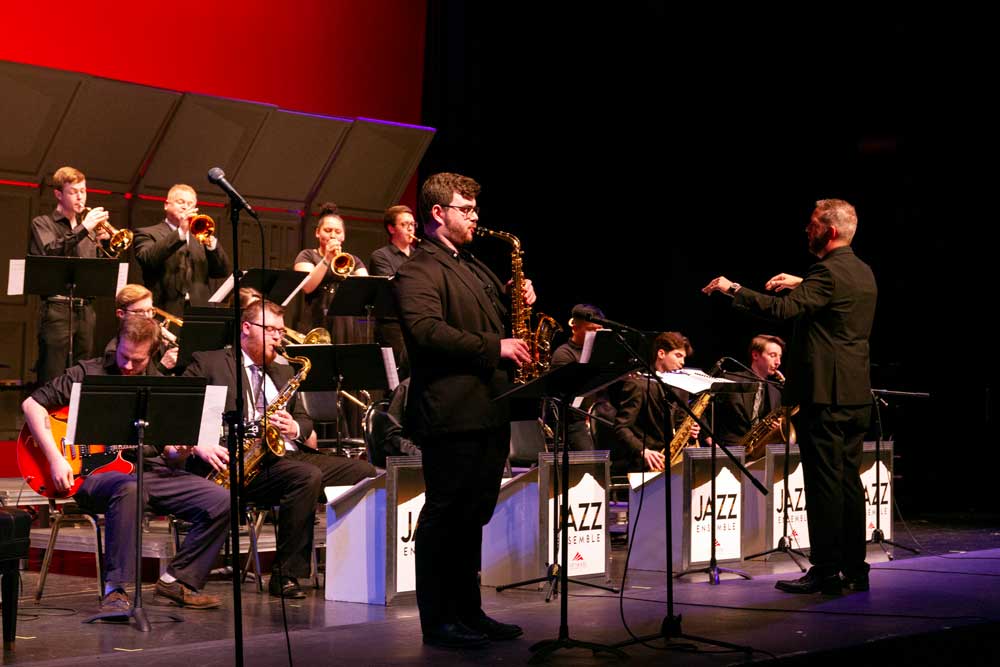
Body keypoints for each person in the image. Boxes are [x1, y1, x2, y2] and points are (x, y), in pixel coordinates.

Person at [703, 198, 877, 595]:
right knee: (849, 481)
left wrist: (734, 290)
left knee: (824, 484)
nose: (806, 229)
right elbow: (832, 298)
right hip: (854, 394)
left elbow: (781, 310)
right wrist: (803, 282)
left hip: (825, 395)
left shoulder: (826, 273)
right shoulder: (862, 272)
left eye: (812, 223)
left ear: (829, 231)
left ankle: (827, 569)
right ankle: (855, 569)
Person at [394, 172, 533, 649]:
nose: (475, 218)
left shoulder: (471, 263)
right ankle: (438, 621)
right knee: (444, 516)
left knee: (472, 516)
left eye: (475, 209)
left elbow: (497, 316)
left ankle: (469, 612)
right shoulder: (418, 269)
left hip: (490, 408)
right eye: (466, 209)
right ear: (439, 213)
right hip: (451, 412)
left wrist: (520, 293)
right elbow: (427, 331)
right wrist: (497, 346)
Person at [21, 316, 229, 611]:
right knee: (129, 489)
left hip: (143, 471)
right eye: (124, 357)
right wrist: (56, 459)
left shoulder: (159, 385)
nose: (129, 366)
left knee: (221, 500)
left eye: (138, 360)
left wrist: (182, 451)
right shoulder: (87, 372)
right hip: (92, 476)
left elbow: (167, 452)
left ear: (153, 353)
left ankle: (176, 580)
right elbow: (32, 404)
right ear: (117, 344)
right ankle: (115, 589)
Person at [183, 299, 372, 597]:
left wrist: (294, 427)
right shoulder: (210, 363)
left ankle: (358, 567)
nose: (278, 338)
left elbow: (304, 420)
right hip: (238, 463)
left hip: (285, 455)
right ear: (246, 329)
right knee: (305, 476)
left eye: (281, 332)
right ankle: (285, 575)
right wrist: (200, 444)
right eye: (271, 330)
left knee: (365, 472)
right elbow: (181, 413)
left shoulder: (284, 372)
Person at [28, 166, 112, 383]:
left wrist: (107, 244)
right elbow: (50, 251)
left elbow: (97, 271)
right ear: (58, 194)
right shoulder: (42, 223)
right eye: (73, 191)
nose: (80, 196)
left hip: (86, 310)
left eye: (83, 190)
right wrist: (84, 227)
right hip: (57, 308)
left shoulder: (90, 230)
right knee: (53, 373)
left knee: (82, 373)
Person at [133, 184, 233, 318]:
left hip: (199, 311)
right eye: (180, 202)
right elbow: (147, 259)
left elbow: (221, 271)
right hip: (164, 310)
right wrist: (181, 232)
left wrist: (211, 246)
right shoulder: (146, 233)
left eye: (190, 204)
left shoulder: (199, 235)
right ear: (166, 205)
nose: (185, 207)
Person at [614, 331, 699, 472]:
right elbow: (621, 427)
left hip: (673, 461)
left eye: (684, 358)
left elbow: (680, 424)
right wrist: (643, 451)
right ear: (661, 354)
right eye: (678, 356)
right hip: (646, 461)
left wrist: (690, 430)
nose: (682, 362)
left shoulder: (682, 387)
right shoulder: (638, 384)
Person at [293, 201, 369, 340]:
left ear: (343, 236)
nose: (333, 235)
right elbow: (308, 287)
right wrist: (327, 258)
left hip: (347, 325)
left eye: (337, 231)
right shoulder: (307, 255)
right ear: (317, 232)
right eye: (327, 231)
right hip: (316, 321)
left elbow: (365, 290)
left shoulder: (353, 260)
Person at [369, 205, 419, 377]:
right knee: (396, 377)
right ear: (391, 228)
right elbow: (395, 285)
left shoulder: (419, 254)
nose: (410, 228)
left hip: (415, 321)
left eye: (413, 224)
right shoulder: (381, 256)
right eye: (405, 224)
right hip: (392, 325)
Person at [548, 304, 606, 451]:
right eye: (592, 330)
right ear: (575, 328)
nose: (597, 335)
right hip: (574, 421)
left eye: (600, 330)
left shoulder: (602, 350)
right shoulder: (563, 354)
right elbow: (570, 394)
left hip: (599, 415)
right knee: (591, 460)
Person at [711, 334, 786, 447]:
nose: (778, 362)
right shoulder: (730, 380)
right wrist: (708, 438)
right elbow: (706, 411)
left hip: (759, 451)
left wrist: (775, 427)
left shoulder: (775, 392)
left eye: (779, 356)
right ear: (755, 355)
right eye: (772, 355)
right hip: (728, 449)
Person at [103, 284, 179, 373]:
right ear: (121, 314)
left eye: (150, 310)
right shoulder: (114, 351)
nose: (148, 317)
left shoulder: (157, 335)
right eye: (139, 311)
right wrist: (162, 367)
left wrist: (174, 339)